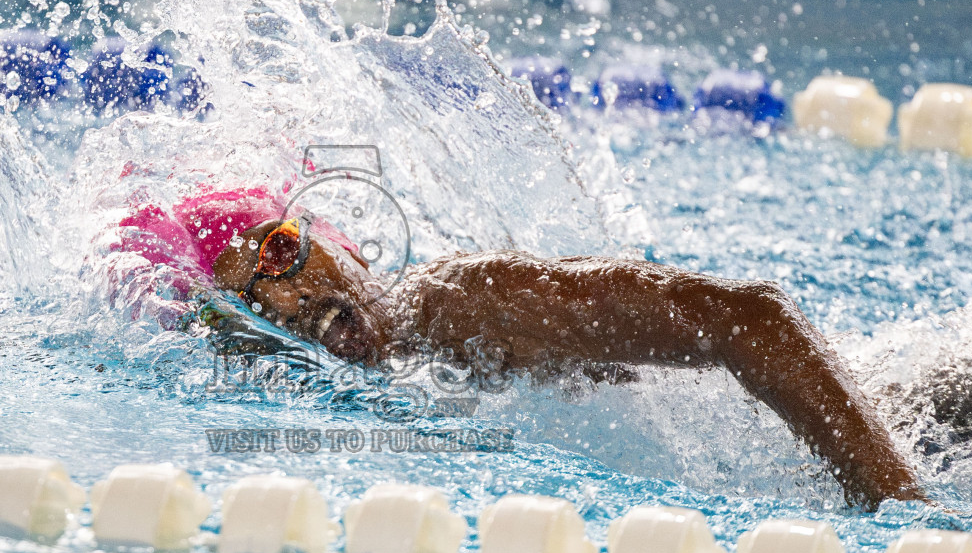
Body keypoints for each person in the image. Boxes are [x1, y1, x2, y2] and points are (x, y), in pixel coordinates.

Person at [114, 188, 928, 510]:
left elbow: (753, 318)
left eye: (282, 253)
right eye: (254, 302)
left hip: (929, 416)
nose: (288, 301)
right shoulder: (370, 384)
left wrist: (898, 508)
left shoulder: (463, 303)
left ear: (341, 246)